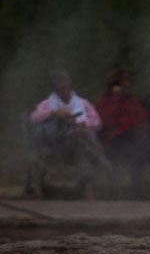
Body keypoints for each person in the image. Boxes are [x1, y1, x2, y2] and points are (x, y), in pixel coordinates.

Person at [27, 70, 108, 198]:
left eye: (66, 88)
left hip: (78, 146)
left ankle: (87, 187)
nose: (64, 92)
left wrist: (84, 124)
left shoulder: (82, 103)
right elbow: (34, 118)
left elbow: (97, 122)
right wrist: (54, 113)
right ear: (55, 89)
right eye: (60, 89)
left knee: (82, 145)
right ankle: (101, 159)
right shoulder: (47, 104)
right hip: (57, 146)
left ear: (70, 86)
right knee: (81, 137)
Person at [94, 69, 149, 197]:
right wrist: (116, 99)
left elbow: (141, 117)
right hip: (112, 138)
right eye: (124, 86)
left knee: (142, 146)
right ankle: (130, 189)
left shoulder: (131, 100)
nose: (127, 88)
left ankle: (137, 187)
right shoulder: (105, 100)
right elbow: (105, 120)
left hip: (132, 135)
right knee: (132, 148)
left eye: (128, 85)